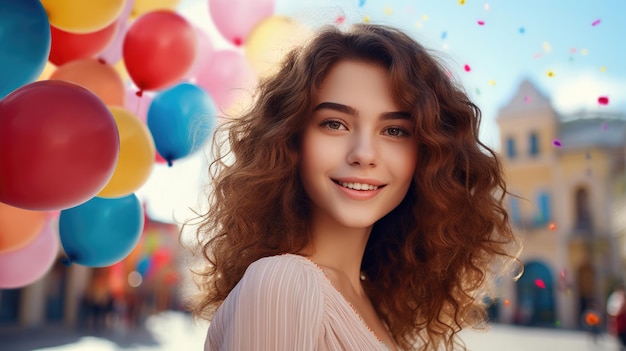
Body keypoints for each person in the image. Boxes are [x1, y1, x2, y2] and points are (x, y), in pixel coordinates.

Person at [188, 23, 521, 351]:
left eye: (394, 130)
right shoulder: (282, 282)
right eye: (335, 124)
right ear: (291, 139)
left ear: (427, 154)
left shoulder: (364, 298)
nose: (364, 154)